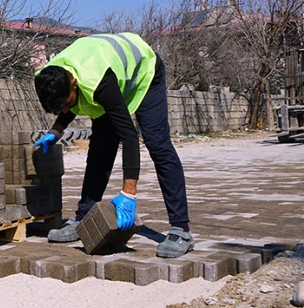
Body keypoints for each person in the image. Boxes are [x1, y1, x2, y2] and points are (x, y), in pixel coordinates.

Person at [33, 32, 193, 258]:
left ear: (74, 83)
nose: (67, 110)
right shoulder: (46, 76)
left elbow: (129, 136)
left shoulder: (96, 81)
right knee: (100, 148)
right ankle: (83, 217)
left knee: (157, 143)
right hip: (111, 74)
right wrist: (55, 131)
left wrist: (129, 194)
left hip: (144, 71)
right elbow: (66, 102)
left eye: (68, 103)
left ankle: (181, 230)